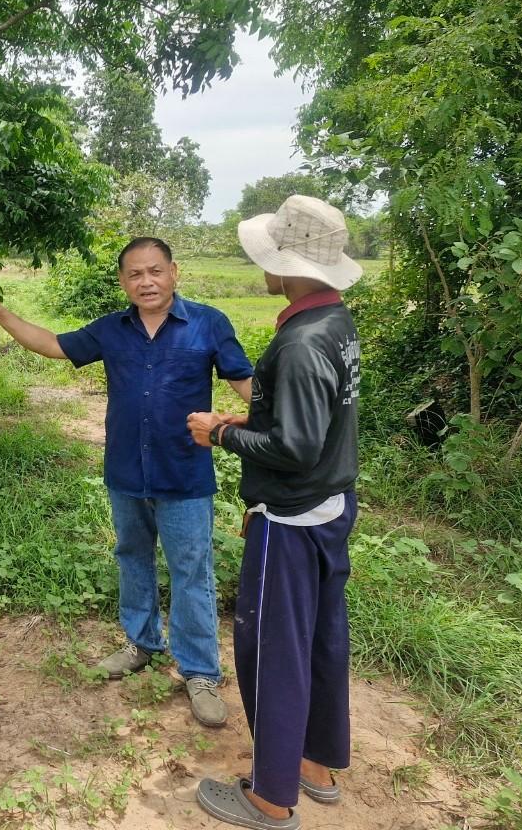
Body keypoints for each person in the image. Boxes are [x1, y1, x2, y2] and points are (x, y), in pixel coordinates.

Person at [0, 237, 253, 727]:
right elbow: (54, 345)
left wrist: (289, 421)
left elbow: (246, 383)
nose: (147, 282)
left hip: (184, 473)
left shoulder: (208, 323)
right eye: (135, 274)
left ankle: (200, 672)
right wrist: (3, 313)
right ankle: (142, 644)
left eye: (156, 271)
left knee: (192, 571)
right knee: (132, 557)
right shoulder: (111, 330)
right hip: (126, 470)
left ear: (174, 272)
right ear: (123, 281)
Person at [186, 195, 363, 830]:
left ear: (287, 268)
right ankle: (315, 765)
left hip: (288, 522)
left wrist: (220, 433)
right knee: (319, 641)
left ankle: (269, 795)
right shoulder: (334, 325)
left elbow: (294, 446)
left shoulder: (300, 344)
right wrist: (252, 416)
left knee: (271, 651)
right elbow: (305, 422)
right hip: (329, 508)